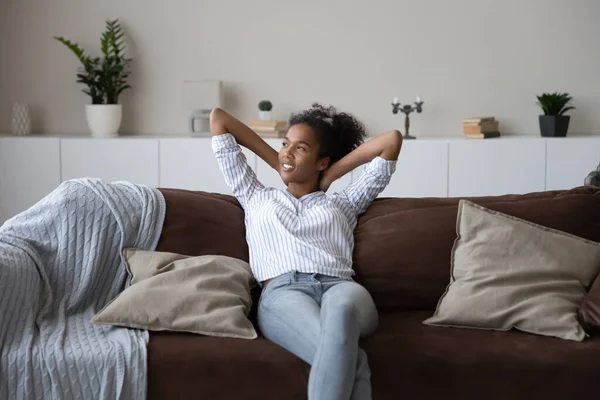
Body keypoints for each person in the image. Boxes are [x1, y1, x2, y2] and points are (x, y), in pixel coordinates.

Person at [210, 103, 402, 400]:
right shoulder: (254, 195)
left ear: (321, 161)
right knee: (352, 359)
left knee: (340, 311)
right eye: (285, 144)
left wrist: (332, 174)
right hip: (284, 293)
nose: (287, 151)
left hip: (341, 288)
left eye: (300, 148)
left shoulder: (344, 203)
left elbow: (391, 141)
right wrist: (279, 161)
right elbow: (219, 119)